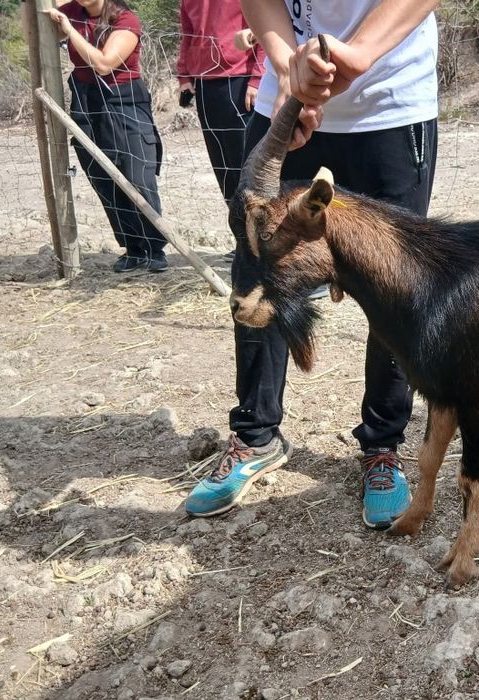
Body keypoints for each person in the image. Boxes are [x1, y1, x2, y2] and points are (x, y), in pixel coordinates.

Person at [184, 0, 439, 528]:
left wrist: (361, 53)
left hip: (390, 104)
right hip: (288, 106)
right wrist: (285, 67)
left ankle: (383, 447)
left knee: (394, 286)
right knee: (257, 265)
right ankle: (255, 435)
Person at [48, 0, 168, 273]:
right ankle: (133, 248)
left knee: (138, 176)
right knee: (102, 178)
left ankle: (155, 247)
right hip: (86, 100)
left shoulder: (125, 20)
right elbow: (36, 22)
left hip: (123, 101)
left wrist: (70, 31)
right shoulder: (71, 12)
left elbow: (104, 64)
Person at [177, 0, 264, 211]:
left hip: (240, 81)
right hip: (204, 85)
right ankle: (240, 236)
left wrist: (258, 77)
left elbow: (265, 25)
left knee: (247, 165)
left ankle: (260, 235)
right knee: (222, 166)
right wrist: (183, 74)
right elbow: (188, 32)